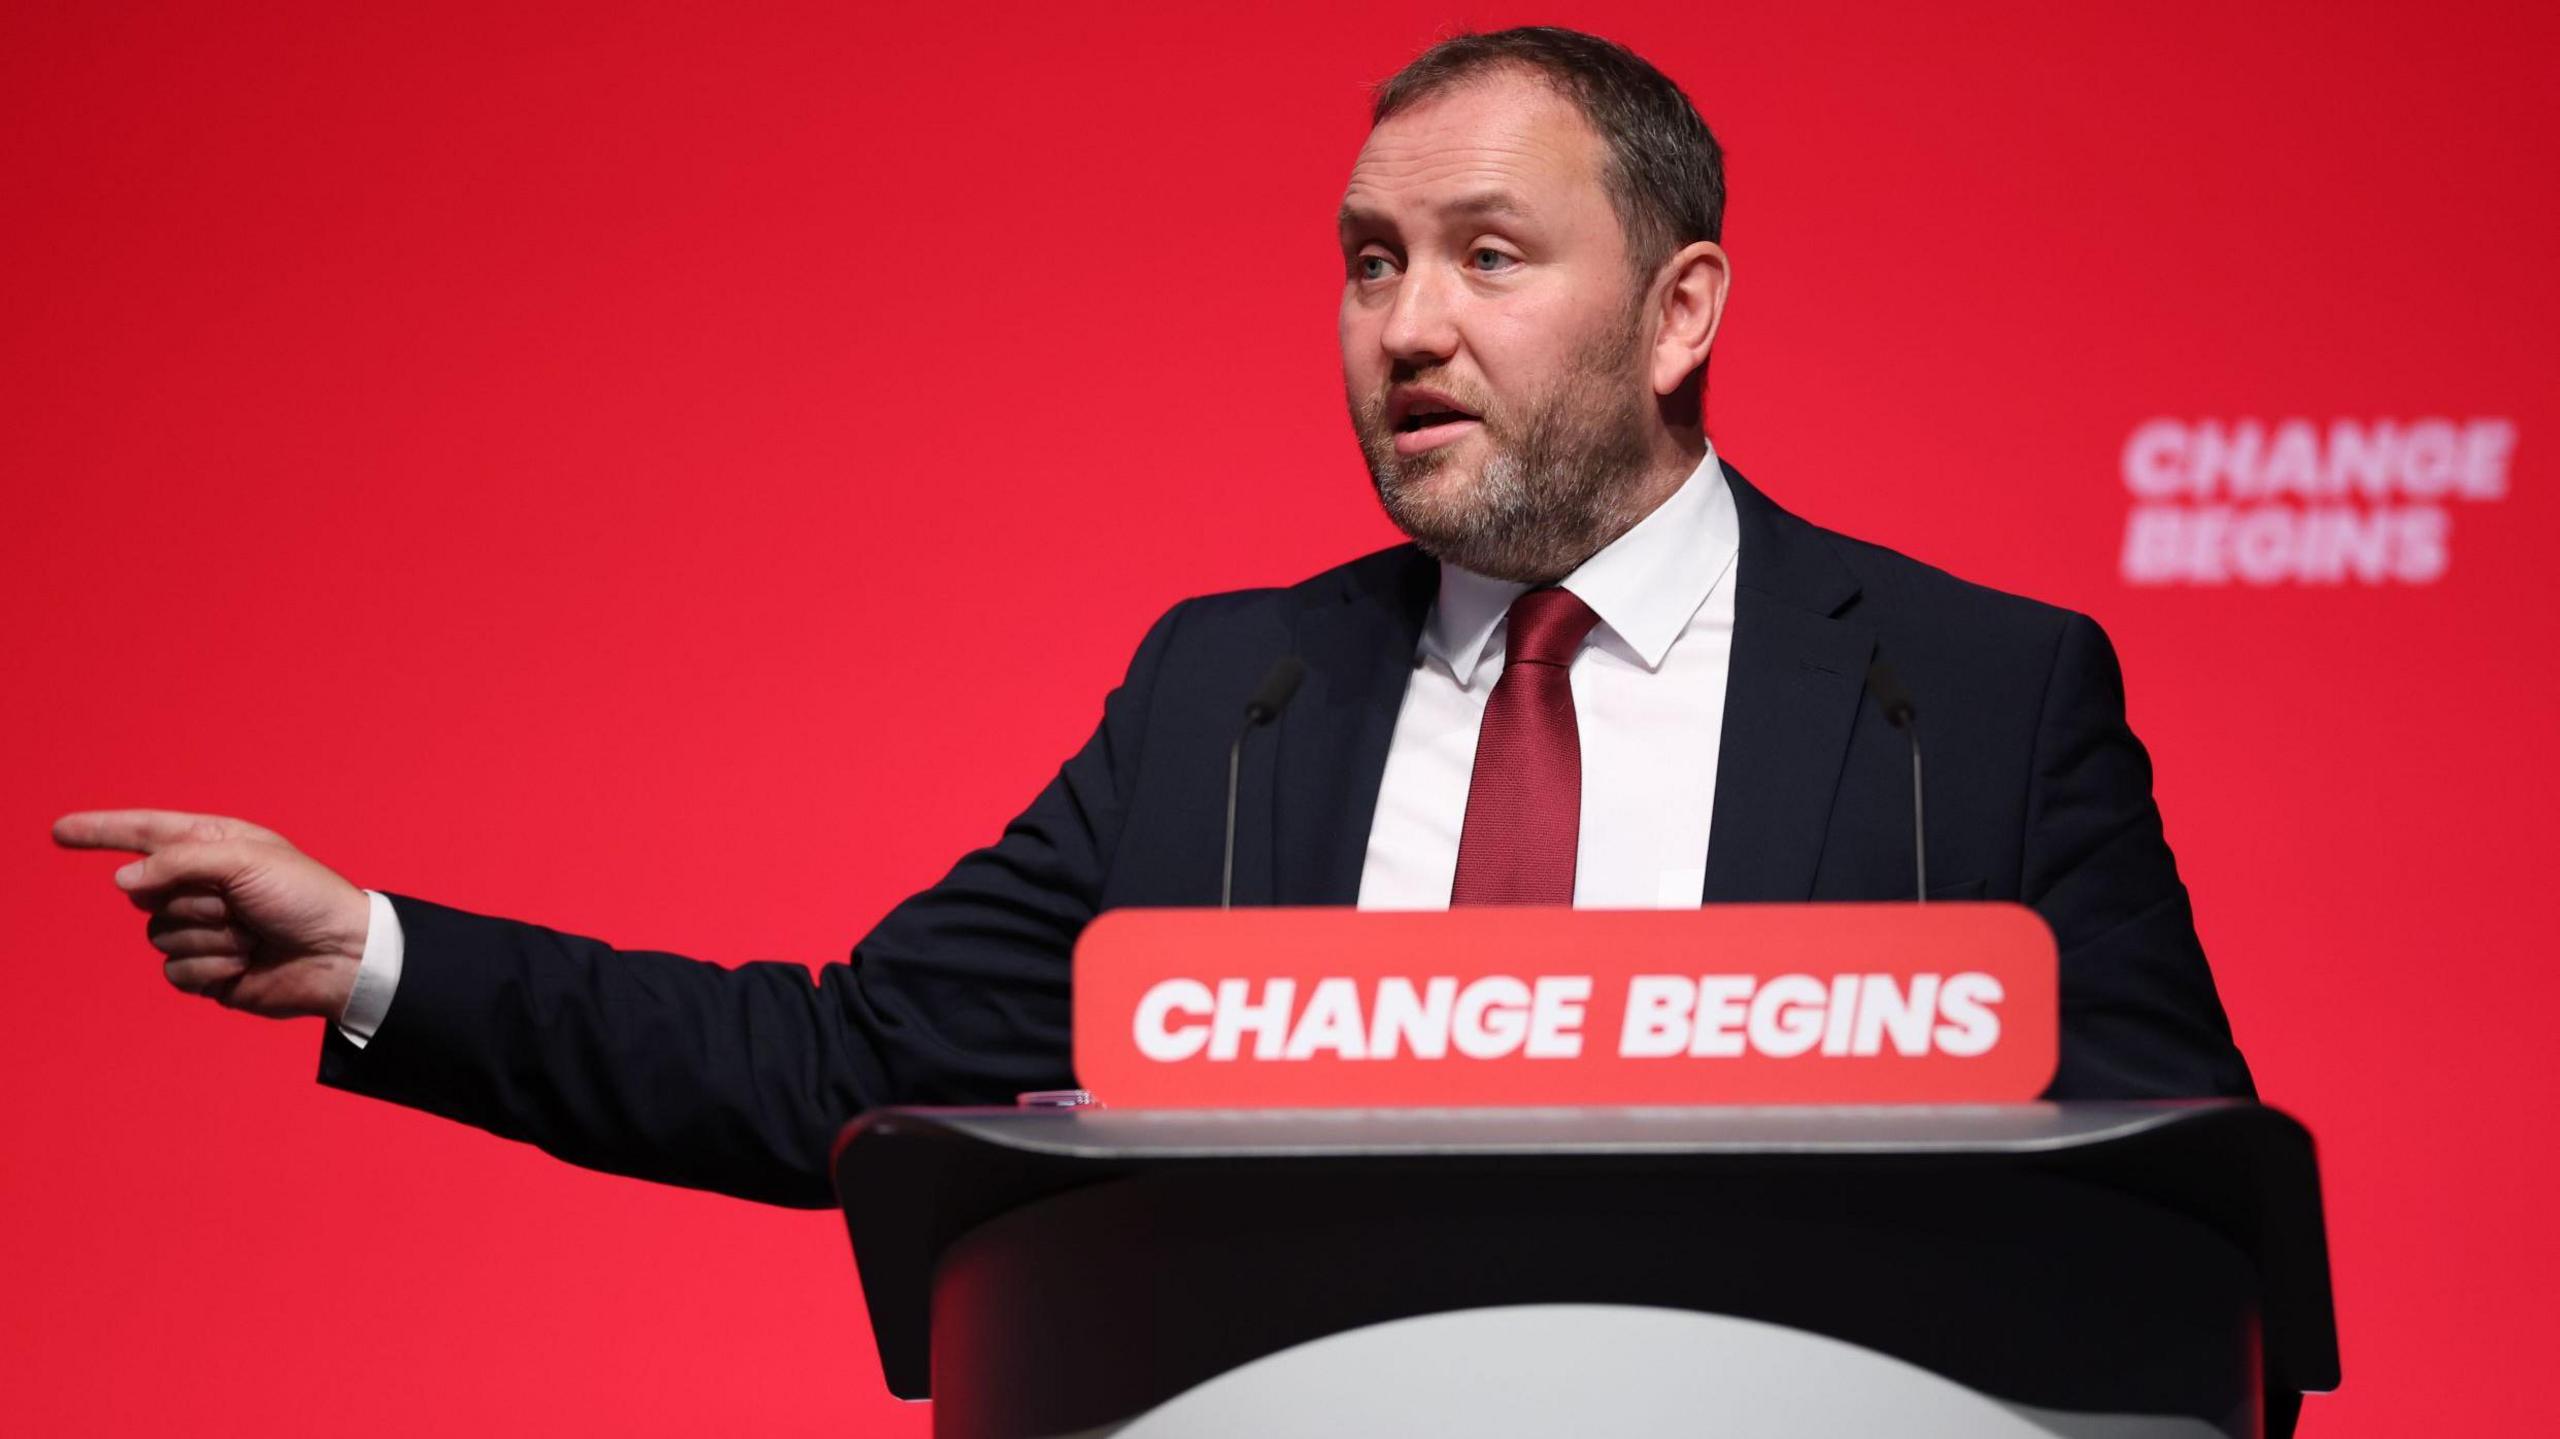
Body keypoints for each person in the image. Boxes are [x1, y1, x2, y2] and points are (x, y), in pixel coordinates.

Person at [53, 27, 2252, 1210]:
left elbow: (2179, 1226)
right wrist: (378, 959)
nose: (1404, 325)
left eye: (1488, 255)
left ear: (1679, 311)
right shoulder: (1233, 697)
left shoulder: (1972, 693)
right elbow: (842, 1067)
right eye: (1367, 261)